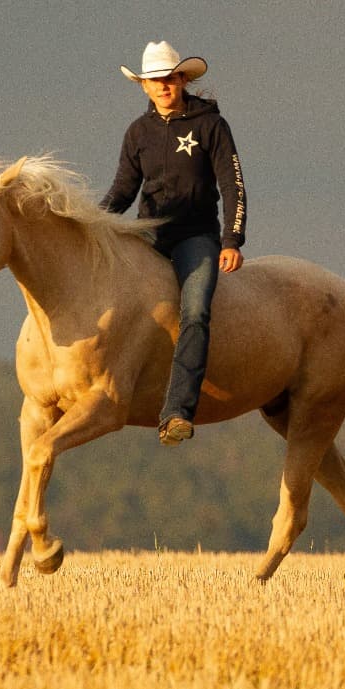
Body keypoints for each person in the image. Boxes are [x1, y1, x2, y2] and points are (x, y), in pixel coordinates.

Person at [101, 39, 247, 445]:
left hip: (196, 236)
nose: (164, 85)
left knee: (196, 310)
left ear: (183, 80)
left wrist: (231, 239)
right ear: (144, 86)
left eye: (171, 78)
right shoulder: (138, 133)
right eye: (156, 80)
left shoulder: (211, 126)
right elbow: (121, 193)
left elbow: (232, 185)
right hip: (148, 234)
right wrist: (93, 228)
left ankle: (178, 412)